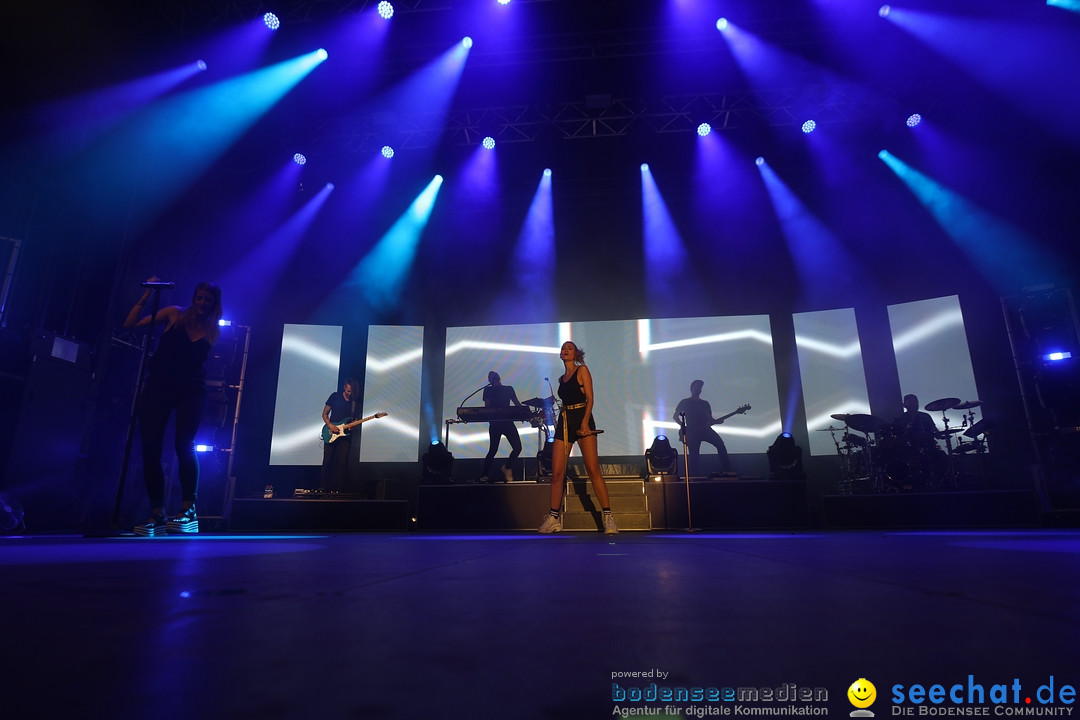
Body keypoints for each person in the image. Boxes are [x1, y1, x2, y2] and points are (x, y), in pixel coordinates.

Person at [124, 278, 222, 536]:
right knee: (151, 448)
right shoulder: (173, 314)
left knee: (184, 445)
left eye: (207, 300)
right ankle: (157, 513)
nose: (201, 303)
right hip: (159, 385)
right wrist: (146, 295)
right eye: (199, 298)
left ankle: (188, 510)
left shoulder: (213, 329)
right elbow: (130, 324)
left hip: (191, 390)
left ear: (213, 305)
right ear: (194, 297)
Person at [538, 341, 618, 535]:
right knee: (557, 473)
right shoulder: (560, 379)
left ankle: (608, 518)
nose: (565, 350)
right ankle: (554, 519)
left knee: (592, 469)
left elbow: (590, 398)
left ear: (576, 353)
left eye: (570, 348)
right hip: (565, 422)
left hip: (582, 417)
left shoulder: (582, 370)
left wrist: (584, 423)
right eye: (563, 348)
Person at [672, 379, 731, 476]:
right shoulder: (685, 402)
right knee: (694, 454)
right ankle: (695, 476)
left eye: (700, 387)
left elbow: (710, 419)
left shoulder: (705, 403)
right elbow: (675, 416)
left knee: (720, 444)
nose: (698, 389)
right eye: (696, 387)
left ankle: (727, 469)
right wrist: (684, 427)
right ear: (691, 389)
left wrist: (717, 422)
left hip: (706, 430)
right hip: (692, 431)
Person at [479, 371, 524, 483]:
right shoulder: (488, 390)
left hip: (507, 422)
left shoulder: (508, 389)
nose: (492, 378)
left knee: (517, 447)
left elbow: (516, 403)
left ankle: (507, 467)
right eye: (490, 377)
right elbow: (487, 407)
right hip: (495, 423)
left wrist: (524, 413)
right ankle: (484, 475)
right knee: (493, 449)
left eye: (493, 376)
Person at [321, 378, 360, 493]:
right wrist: (330, 425)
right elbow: (324, 413)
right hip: (331, 432)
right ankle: (323, 488)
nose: (349, 394)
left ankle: (339, 490)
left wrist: (353, 426)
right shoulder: (335, 396)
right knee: (327, 462)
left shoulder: (355, 402)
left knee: (342, 463)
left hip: (345, 435)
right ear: (344, 387)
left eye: (352, 392)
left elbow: (356, 419)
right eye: (348, 391)